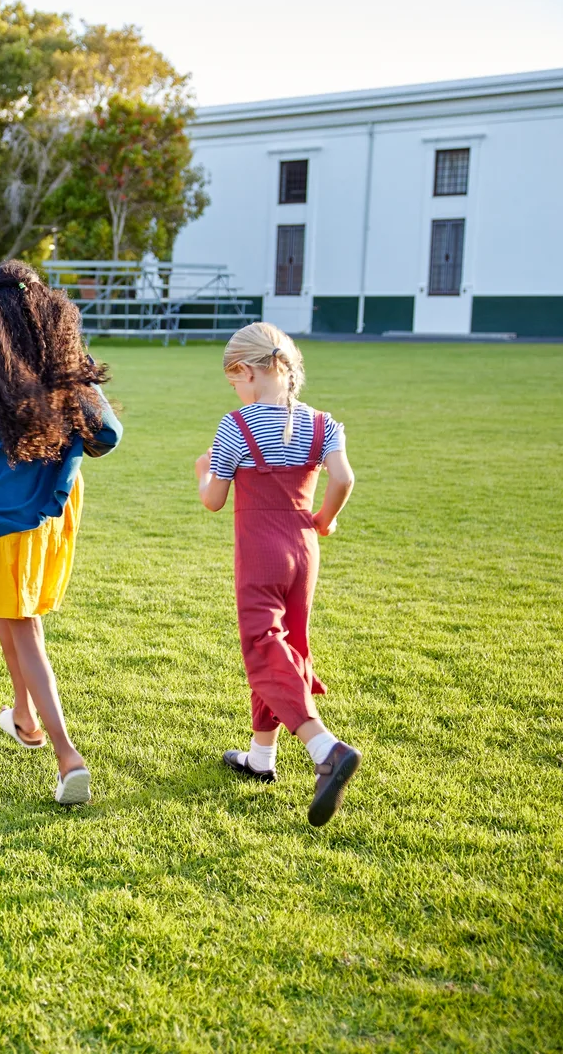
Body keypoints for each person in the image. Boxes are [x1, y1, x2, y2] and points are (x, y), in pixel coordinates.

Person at [0, 260, 122, 807]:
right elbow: (109, 435)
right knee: (16, 615)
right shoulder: (63, 367)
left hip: (3, 514)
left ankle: (67, 755)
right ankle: (23, 716)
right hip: (54, 510)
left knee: (21, 624)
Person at [194, 322, 359, 826]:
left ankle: (324, 747)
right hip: (305, 548)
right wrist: (324, 520)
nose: (236, 391)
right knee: (288, 645)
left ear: (245, 371)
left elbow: (214, 500)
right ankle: (260, 757)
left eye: (234, 381)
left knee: (263, 646)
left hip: (260, 549)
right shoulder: (322, 423)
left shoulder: (236, 426)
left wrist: (202, 468)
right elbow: (344, 478)